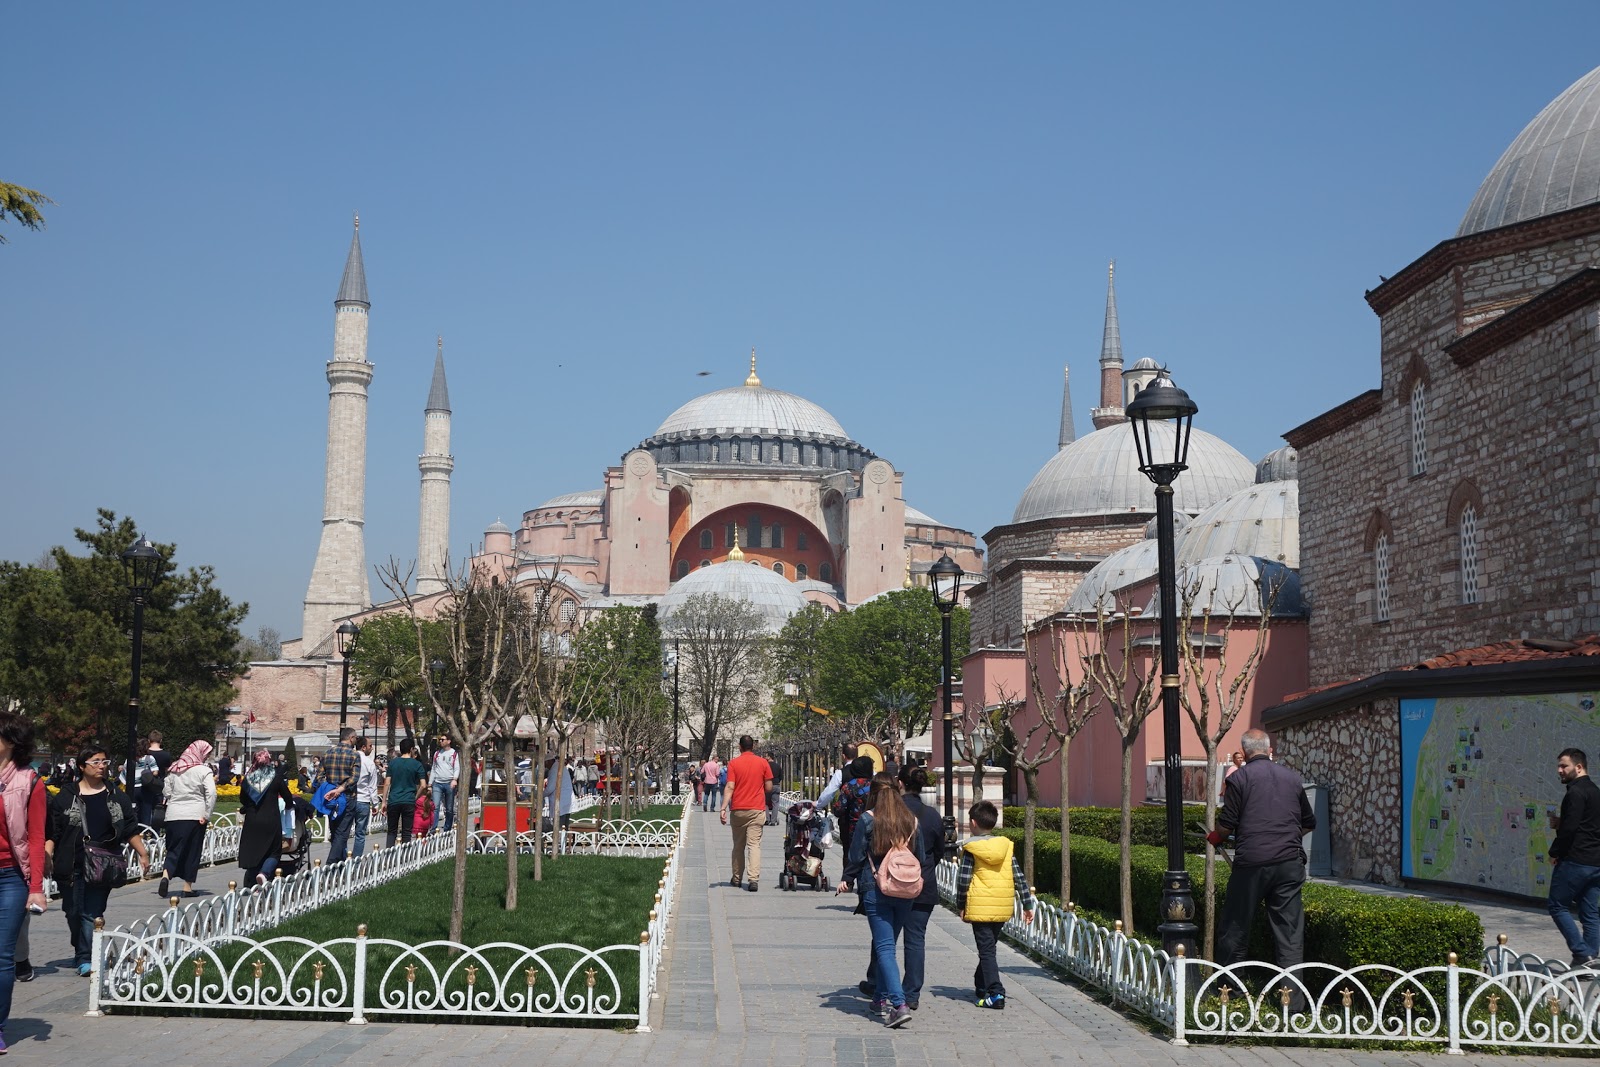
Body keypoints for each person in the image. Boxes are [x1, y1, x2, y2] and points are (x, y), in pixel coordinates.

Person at [1207, 728, 1317, 1005]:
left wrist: (1215, 837)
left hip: (1252, 864)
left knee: (1235, 927)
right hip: (1289, 864)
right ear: (1270, 750)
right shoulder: (1292, 779)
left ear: (1243, 754)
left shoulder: (1239, 779)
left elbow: (1227, 825)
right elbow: (1308, 822)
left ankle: (1229, 994)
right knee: (1289, 933)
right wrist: (1287, 838)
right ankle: (1292, 1005)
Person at [45, 744, 151, 977]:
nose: (102, 766)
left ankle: (86, 957)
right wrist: (47, 855)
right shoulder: (66, 796)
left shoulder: (116, 796)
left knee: (91, 913)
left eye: (104, 761)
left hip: (103, 865)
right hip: (71, 863)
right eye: (96, 762)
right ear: (82, 766)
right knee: (73, 912)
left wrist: (143, 853)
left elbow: (130, 828)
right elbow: (53, 830)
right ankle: (81, 949)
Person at [839, 772, 924, 1028]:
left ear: (874, 794)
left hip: (876, 888)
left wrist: (847, 879)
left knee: (885, 948)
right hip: (905, 890)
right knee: (886, 944)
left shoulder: (868, 819)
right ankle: (878, 999)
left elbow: (855, 855)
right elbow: (920, 856)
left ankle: (898, 1005)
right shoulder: (911, 820)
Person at [860, 764, 944, 1011]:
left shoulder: (889, 812)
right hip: (920, 883)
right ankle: (911, 994)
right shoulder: (931, 815)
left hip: (887, 882)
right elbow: (937, 852)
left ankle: (880, 986)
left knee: (885, 939)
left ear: (901, 783)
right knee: (915, 941)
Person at [955, 799, 1035, 1010]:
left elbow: (963, 879)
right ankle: (981, 986)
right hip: (1002, 906)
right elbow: (1019, 876)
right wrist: (1027, 904)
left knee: (987, 951)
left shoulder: (972, 848)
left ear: (973, 823)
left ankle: (996, 993)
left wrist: (960, 904)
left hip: (980, 906)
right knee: (989, 948)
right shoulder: (1006, 846)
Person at [0, 712, 47, 1038]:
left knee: (3, 955)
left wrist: (36, 887)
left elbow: (34, 838)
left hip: (10, 878)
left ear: (11, 742)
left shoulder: (29, 781)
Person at [1548, 747, 1600, 968]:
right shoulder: (1595, 791)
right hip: (1595, 862)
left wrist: (1555, 852)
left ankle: (1582, 953)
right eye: (1559, 766)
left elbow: (1570, 830)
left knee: (1557, 906)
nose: (1559, 770)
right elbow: (1587, 825)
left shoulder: (1575, 793)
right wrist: (1562, 822)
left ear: (1578, 767)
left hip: (1575, 860)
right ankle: (1591, 960)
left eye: (1564, 766)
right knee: (1589, 912)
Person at [159, 739, 217, 898]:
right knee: (193, 850)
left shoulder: (175, 768)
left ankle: (166, 875)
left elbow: (166, 792)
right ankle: (187, 887)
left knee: (173, 848)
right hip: (194, 815)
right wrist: (207, 814)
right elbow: (211, 793)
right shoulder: (203, 770)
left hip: (173, 814)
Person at [719, 736, 774, 891]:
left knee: (738, 845)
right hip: (756, 809)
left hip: (738, 809)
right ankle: (753, 880)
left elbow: (730, 787)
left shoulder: (734, 763)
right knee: (754, 845)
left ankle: (736, 878)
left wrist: (723, 808)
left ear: (739, 747)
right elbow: (769, 787)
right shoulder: (763, 763)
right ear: (753, 747)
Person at [238, 749, 294, 886]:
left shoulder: (248, 779)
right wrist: (288, 805)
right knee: (274, 851)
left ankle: (252, 880)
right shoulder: (275, 777)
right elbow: (287, 796)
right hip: (271, 819)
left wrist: (248, 807)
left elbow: (243, 799)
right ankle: (264, 873)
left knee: (253, 849)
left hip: (252, 820)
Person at [318, 728, 361, 864]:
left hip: (332, 798)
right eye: (356, 738)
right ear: (351, 738)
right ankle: (330, 864)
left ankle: (339, 865)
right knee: (342, 833)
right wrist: (340, 789)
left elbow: (319, 777)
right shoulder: (354, 755)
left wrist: (331, 789)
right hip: (347, 796)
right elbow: (355, 777)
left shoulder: (328, 753)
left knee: (335, 831)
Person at [830, 755, 877, 873]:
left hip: (852, 828)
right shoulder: (877, 786)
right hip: (875, 827)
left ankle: (848, 880)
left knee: (849, 853)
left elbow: (839, 809)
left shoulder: (849, 786)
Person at [383, 738, 427, 847]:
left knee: (392, 831)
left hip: (394, 800)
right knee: (407, 832)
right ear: (412, 749)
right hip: (409, 800)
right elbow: (423, 785)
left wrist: (384, 801)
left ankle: (388, 858)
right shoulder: (417, 764)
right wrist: (415, 796)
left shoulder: (393, 763)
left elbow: (387, 783)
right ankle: (404, 858)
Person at [350, 736, 381, 859]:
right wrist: (375, 804)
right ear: (363, 747)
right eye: (370, 746)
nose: (371, 748)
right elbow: (372, 786)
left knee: (344, 832)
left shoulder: (349, 759)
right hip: (363, 800)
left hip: (349, 799)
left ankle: (342, 859)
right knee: (360, 834)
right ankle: (356, 861)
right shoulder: (369, 763)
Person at [136, 730, 173, 827]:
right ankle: (154, 831)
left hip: (143, 784)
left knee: (141, 811)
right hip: (158, 784)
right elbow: (167, 769)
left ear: (149, 740)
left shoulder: (144, 754)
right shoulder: (166, 755)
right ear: (161, 740)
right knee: (156, 810)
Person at [816, 743, 861, 809]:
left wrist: (818, 804)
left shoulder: (840, 773)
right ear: (857, 755)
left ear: (843, 756)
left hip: (849, 815)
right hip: (869, 815)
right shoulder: (871, 772)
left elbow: (829, 793)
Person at [431, 734, 460, 835]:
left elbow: (457, 768)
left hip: (449, 783)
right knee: (435, 806)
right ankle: (433, 829)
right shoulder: (437, 754)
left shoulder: (454, 754)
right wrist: (430, 783)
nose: (440, 741)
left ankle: (447, 829)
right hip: (437, 783)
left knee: (449, 808)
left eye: (442, 739)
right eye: (440, 740)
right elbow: (434, 769)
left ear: (449, 741)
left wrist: (454, 779)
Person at [544, 757, 575, 831]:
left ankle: (559, 841)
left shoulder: (555, 770)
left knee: (560, 827)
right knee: (564, 826)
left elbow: (550, 788)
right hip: (565, 800)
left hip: (561, 801)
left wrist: (539, 795)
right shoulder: (558, 767)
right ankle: (562, 841)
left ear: (549, 761)